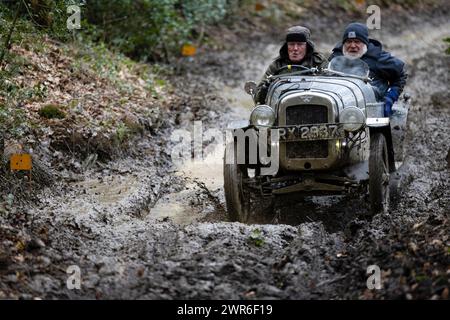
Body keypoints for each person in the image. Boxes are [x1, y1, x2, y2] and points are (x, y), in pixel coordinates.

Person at [329, 22, 407, 116]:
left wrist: (391, 96)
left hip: (371, 106)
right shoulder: (336, 57)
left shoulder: (378, 57)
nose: (352, 46)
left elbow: (401, 74)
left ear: (365, 43)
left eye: (357, 42)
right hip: (341, 105)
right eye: (349, 42)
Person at [254, 26, 326, 104]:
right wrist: (265, 88)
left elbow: (331, 87)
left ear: (307, 46)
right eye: (291, 44)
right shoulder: (277, 66)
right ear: (286, 47)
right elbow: (257, 98)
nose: (295, 48)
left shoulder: (319, 63)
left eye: (300, 44)